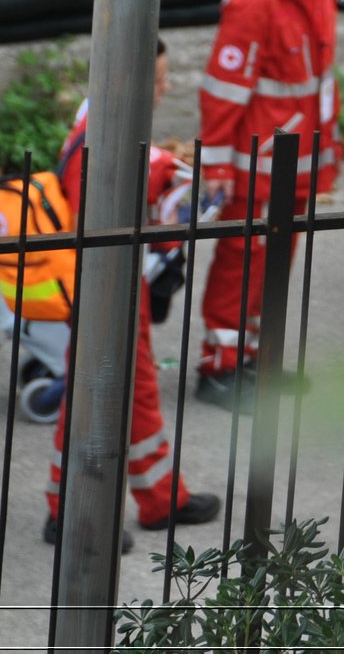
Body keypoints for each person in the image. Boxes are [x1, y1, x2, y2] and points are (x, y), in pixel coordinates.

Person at [45, 41, 220, 549]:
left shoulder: (104, 128)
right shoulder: (98, 144)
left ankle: (160, 498)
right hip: (106, 289)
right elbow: (91, 230)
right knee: (95, 394)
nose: (164, 91)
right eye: (158, 82)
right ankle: (69, 511)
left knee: (136, 390)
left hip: (123, 286)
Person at [196, 0, 344, 409]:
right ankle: (218, 370)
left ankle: (256, 363)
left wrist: (326, 155)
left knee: (275, 262)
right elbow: (223, 86)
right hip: (255, 166)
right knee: (242, 261)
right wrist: (216, 162)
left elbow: (318, 84)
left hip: (297, 163)